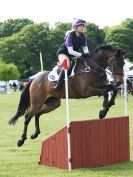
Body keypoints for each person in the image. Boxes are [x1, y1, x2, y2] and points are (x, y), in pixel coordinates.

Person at [53, 18, 90, 91]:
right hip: (63, 53)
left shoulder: (83, 36)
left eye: (83, 25)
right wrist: (81, 55)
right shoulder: (70, 35)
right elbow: (70, 51)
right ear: (75, 27)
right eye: (80, 26)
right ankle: (58, 84)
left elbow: (85, 48)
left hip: (73, 55)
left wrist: (87, 54)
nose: (82, 27)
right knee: (67, 65)